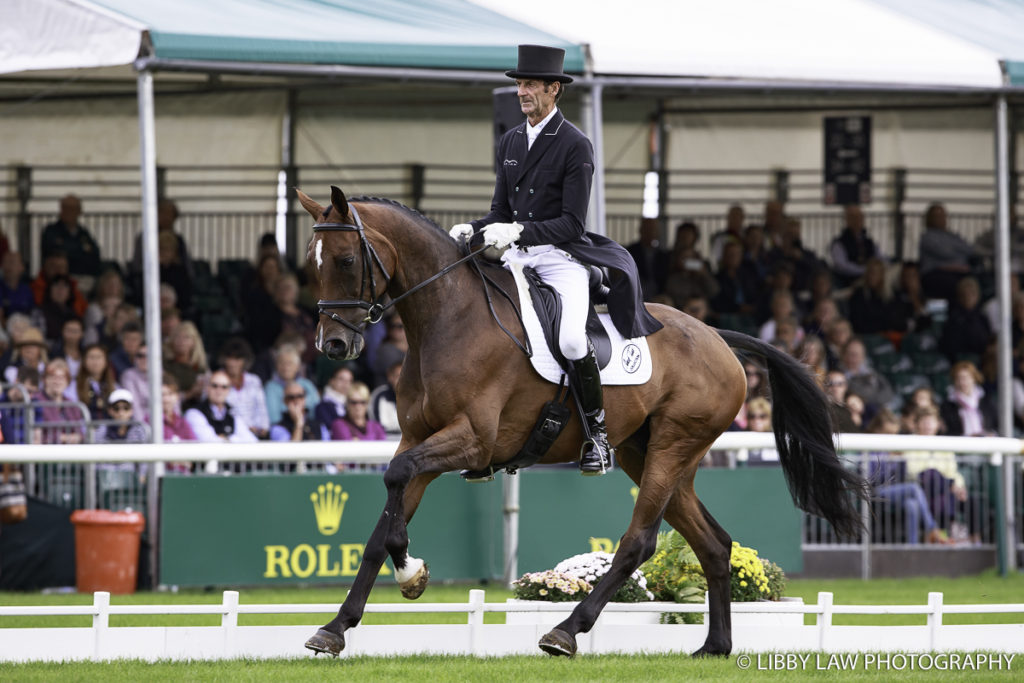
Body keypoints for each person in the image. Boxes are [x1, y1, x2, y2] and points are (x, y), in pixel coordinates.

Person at [448, 44, 661, 476]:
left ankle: (597, 436)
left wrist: (519, 232)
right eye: (519, 85)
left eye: (530, 85)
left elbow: (570, 223)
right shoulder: (511, 139)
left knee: (568, 340)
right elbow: (499, 212)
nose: (522, 92)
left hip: (561, 257)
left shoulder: (574, 145)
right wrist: (472, 227)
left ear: (553, 90)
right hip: (517, 260)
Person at [866, 409, 951, 545]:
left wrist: (899, 462)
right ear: (877, 430)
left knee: (912, 504)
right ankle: (933, 529)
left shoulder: (895, 449)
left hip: (895, 491)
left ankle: (912, 547)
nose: (891, 438)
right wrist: (888, 462)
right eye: (888, 433)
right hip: (876, 492)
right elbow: (870, 479)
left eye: (894, 434)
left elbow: (901, 477)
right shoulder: (867, 448)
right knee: (913, 488)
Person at [903, 405, 984, 543]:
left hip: (946, 489)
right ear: (917, 424)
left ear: (937, 424)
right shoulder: (908, 442)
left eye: (931, 421)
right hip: (923, 489)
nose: (928, 425)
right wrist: (950, 484)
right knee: (932, 475)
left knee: (973, 501)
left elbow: (953, 471)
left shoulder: (944, 444)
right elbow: (913, 471)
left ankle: (975, 539)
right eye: (924, 421)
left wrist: (958, 486)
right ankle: (941, 536)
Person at [918, 202, 976, 301]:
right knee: (955, 286)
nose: (941, 218)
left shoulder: (953, 236)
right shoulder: (927, 237)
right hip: (936, 275)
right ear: (930, 218)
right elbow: (945, 252)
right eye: (937, 216)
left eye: (942, 215)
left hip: (960, 274)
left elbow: (969, 249)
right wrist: (959, 252)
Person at [185, 369, 258, 444]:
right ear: (207, 388)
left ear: (229, 390)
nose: (219, 390)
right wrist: (234, 439)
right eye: (214, 386)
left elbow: (251, 440)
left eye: (224, 387)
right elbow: (208, 442)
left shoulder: (232, 412)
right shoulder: (194, 413)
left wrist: (227, 439)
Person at [219, 337, 270, 440]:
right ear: (224, 359)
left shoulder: (254, 380)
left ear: (245, 360)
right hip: (228, 433)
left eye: (238, 359)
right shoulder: (217, 380)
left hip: (255, 433)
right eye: (230, 358)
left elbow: (261, 407)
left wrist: (263, 427)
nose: (233, 363)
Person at [40, 195, 101, 279]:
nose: (69, 212)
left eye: (73, 209)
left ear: (79, 211)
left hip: (85, 277)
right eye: (66, 208)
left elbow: (95, 254)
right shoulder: (51, 230)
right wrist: (80, 251)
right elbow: (52, 253)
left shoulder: (83, 233)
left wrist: (70, 251)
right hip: (59, 279)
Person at [32, 358, 86, 445]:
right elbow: (34, 437)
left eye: (62, 378)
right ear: (45, 379)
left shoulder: (72, 405)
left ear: (67, 381)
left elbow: (81, 435)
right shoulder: (35, 401)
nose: (57, 382)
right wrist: (63, 438)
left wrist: (76, 437)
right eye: (53, 377)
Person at [939, 277, 992, 363]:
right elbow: (950, 345)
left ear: (977, 296)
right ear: (959, 297)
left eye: (972, 294)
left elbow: (986, 340)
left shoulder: (982, 317)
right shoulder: (954, 318)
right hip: (959, 360)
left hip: (982, 359)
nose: (968, 298)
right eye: (964, 294)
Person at [264, 344, 319, 425]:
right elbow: (273, 417)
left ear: (297, 366)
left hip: (309, 427)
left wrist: (288, 406)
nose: (286, 367)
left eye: (289, 363)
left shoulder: (306, 384)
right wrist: (302, 406)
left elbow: (316, 407)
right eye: (281, 363)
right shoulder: (270, 387)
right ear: (276, 365)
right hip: (283, 429)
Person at [939, 360, 997, 437]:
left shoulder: (986, 401)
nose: (962, 382)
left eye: (966, 378)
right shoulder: (948, 404)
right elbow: (948, 430)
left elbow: (995, 424)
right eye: (958, 378)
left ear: (974, 378)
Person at [829, 204, 882, 287]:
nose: (858, 220)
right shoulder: (839, 243)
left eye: (860, 217)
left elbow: (880, 257)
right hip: (848, 282)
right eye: (853, 217)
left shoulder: (869, 242)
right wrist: (864, 271)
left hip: (870, 281)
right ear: (847, 220)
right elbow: (841, 266)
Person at [163, 320, 208, 407]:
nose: (181, 341)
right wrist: (190, 393)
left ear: (194, 342)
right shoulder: (166, 365)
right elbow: (164, 396)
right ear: (172, 340)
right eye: (178, 337)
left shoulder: (200, 366)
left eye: (186, 337)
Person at [30, 251, 88, 317]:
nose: (58, 270)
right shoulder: (34, 290)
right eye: (53, 266)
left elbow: (84, 312)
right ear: (45, 268)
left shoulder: (74, 290)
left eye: (62, 267)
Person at [625, 217, 670, 300]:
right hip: (636, 291)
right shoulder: (630, 251)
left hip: (658, 294)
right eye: (647, 229)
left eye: (653, 229)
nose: (650, 232)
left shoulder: (663, 255)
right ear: (640, 230)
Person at [71, 344, 118, 419]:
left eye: (99, 357)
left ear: (106, 361)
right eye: (91, 357)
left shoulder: (114, 386)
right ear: (84, 361)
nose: (95, 361)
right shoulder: (74, 385)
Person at [369, 348, 403, 436]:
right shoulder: (380, 395)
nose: (402, 380)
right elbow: (377, 425)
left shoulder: (415, 397)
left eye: (405, 376)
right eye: (398, 376)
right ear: (389, 377)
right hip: (385, 442)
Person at [743, 397, 779, 465]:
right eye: (752, 416)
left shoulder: (777, 439)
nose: (757, 421)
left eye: (762, 416)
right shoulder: (740, 438)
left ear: (770, 418)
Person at [120, 341, 150, 422]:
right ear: (135, 358)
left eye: (148, 355)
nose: (144, 359)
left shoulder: (163, 376)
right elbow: (134, 406)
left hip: (164, 426)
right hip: (141, 426)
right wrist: (144, 428)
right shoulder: (129, 375)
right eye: (140, 356)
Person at [0, 251, 34, 317]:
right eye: (4, 262)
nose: (7, 265)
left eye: (11, 262)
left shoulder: (27, 289)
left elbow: (33, 314)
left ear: (22, 267)